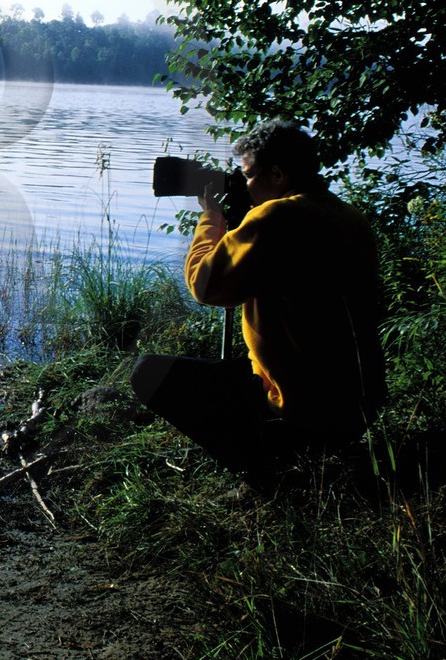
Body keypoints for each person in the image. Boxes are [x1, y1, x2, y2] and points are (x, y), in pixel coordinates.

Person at [130, 120, 386, 482]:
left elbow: (204, 286)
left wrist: (212, 216)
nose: (245, 185)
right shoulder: (349, 217)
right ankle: (286, 450)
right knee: (236, 369)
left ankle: (265, 471)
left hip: (301, 411)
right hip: (354, 408)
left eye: (249, 175)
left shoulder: (276, 217)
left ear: (278, 174)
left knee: (149, 372)